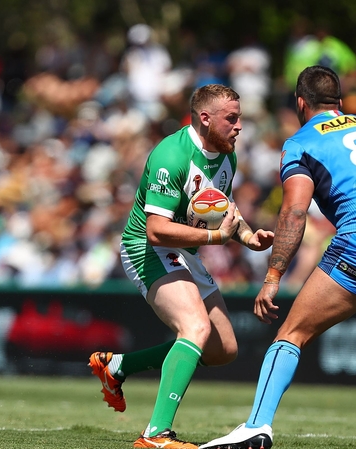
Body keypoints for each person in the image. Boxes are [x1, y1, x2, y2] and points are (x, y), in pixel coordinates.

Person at [200, 65, 356, 449]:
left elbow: (295, 212)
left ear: (301, 102)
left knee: (292, 333)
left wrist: (272, 278)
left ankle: (258, 425)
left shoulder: (301, 142)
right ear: (339, 98)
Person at [87, 83, 274, 449]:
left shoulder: (227, 156)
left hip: (182, 249)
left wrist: (248, 238)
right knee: (194, 327)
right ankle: (156, 435)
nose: (239, 127)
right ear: (205, 119)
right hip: (145, 247)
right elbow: (156, 231)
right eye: (231, 119)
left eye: (240, 119)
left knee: (222, 349)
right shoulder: (171, 155)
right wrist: (218, 239)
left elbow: (224, 214)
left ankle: (118, 367)